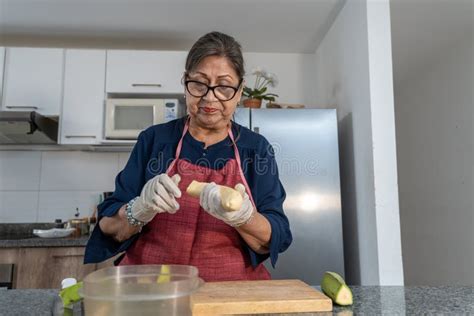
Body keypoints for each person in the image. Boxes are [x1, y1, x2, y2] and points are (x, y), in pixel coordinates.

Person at [84, 31, 292, 281]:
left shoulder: (255, 148)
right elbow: (109, 226)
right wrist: (138, 209)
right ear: (185, 83)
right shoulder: (154, 140)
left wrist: (244, 217)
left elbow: (275, 235)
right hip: (151, 287)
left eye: (224, 87)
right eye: (199, 84)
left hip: (230, 289)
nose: (209, 97)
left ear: (239, 92)